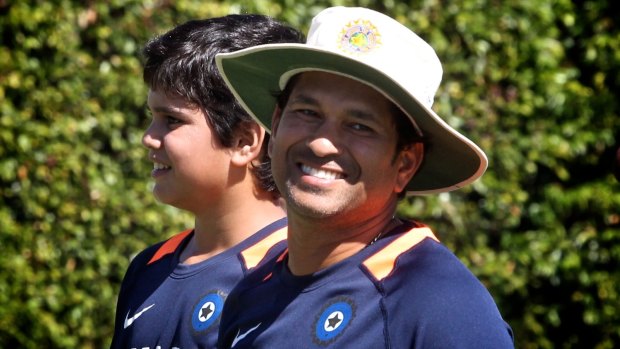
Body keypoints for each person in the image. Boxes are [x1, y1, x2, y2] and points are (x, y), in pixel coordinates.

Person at [215, 6, 514, 348]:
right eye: (308, 112)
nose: (322, 143)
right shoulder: (251, 292)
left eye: (360, 126)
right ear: (277, 122)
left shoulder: (441, 308)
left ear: (405, 163)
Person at [110, 15, 303, 348]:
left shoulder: (292, 277)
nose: (148, 138)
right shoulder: (148, 267)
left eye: (171, 120)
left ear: (244, 141)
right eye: (151, 117)